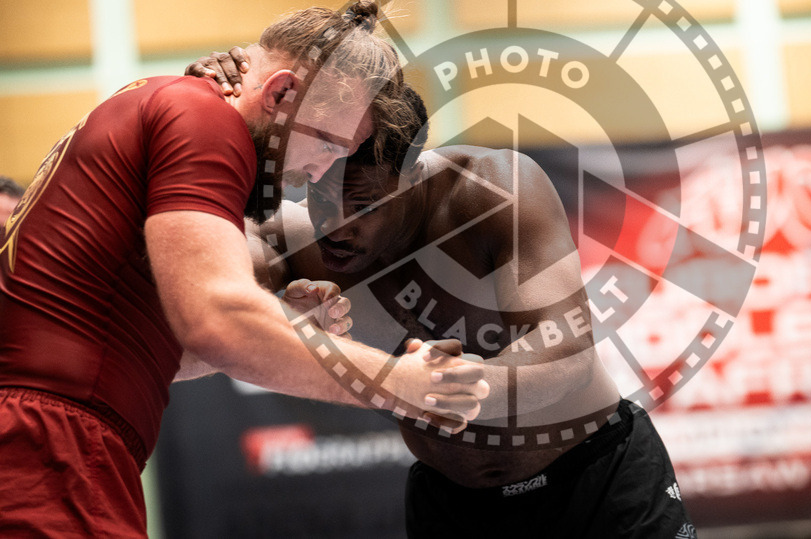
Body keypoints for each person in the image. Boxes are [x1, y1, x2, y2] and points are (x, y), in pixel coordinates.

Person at [0, 0, 488, 537]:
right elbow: (219, 320)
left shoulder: (161, 101)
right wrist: (403, 384)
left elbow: (170, 351)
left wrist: (282, 328)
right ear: (280, 92)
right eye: (326, 143)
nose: (315, 172)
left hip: (48, 440)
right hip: (48, 445)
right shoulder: (205, 117)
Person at [196, 41, 695, 536]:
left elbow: (567, 351)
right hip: (453, 504)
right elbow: (189, 277)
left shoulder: (492, 191)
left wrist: (447, 388)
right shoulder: (298, 241)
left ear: (414, 176)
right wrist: (214, 111)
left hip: (595, 479)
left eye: (364, 205)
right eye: (320, 198)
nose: (335, 227)